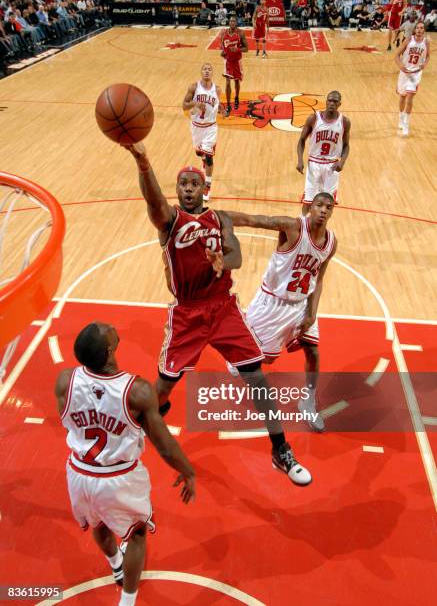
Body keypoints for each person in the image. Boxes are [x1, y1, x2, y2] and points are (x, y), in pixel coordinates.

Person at [124, 142, 312, 486]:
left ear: (203, 188)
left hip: (224, 308)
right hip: (188, 314)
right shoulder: (169, 221)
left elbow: (237, 255)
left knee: (256, 379)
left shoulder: (219, 218)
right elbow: (153, 202)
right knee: (164, 386)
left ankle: (280, 448)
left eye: (195, 184)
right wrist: (143, 161)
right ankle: (145, 421)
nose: (189, 189)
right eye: (183, 184)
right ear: (177, 190)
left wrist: (224, 260)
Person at [56, 323, 195, 606]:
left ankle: (115, 564)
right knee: (138, 534)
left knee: (99, 523)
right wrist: (188, 471)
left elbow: (70, 420)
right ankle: (127, 602)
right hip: (117, 476)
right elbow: (165, 446)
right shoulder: (138, 391)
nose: (109, 326)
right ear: (109, 350)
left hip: (79, 472)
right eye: (106, 329)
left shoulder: (64, 381)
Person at [226, 193, 337, 432]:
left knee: (313, 352)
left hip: (301, 305)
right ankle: (238, 348)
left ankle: (307, 402)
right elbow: (255, 220)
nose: (323, 210)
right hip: (272, 303)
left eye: (328, 207)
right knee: (261, 358)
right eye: (319, 205)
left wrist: (312, 313)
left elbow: (319, 279)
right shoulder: (293, 227)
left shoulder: (331, 242)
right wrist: (218, 217)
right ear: (310, 206)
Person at [297, 91, 351, 215]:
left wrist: (342, 162)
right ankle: (302, 223)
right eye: (330, 100)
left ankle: (321, 228)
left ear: (339, 104)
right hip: (314, 163)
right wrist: (300, 160)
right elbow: (301, 141)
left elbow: (346, 145)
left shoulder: (344, 122)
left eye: (335, 101)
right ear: (326, 101)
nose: (332, 103)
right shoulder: (314, 118)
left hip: (332, 165)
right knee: (308, 201)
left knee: (328, 203)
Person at [182, 63, 223, 202]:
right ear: (201, 72)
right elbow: (184, 105)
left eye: (209, 69)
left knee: (209, 156)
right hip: (196, 127)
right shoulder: (194, 87)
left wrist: (222, 109)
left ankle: (207, 185)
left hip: (210, 127)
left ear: (212, 73)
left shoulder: (217, 89)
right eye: (205, 69)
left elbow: (218, 104)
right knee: (199, 153)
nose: (207, 71)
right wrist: (194, 104)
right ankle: (204, 157)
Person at [395, 21, 430, 136]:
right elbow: (396, 55)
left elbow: (428, 55)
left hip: (416, 74)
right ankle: (400, 117)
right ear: (415, 30)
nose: (420, 30)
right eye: (418, 28)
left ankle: (406, 124)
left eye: (422, 28)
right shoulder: (408, 40)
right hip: (405, 72)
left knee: (410, 97)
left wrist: (425, 64)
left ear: (424, 30)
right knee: (403, 97)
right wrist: (401, 66)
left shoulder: (426, 42)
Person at [220, 14, 248, 116]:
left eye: (234, 21)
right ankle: (228, 106)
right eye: (230, 21)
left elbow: (247, 48)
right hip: (227, 61)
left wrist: (237, 49)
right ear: (229, 22)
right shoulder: (223, 33)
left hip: (237, 61)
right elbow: (222, 45)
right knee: (227, 83)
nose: (232, 23)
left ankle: (236, 97)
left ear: (236, 23)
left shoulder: (240, 33)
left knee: (236, 82)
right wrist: (222, 51)